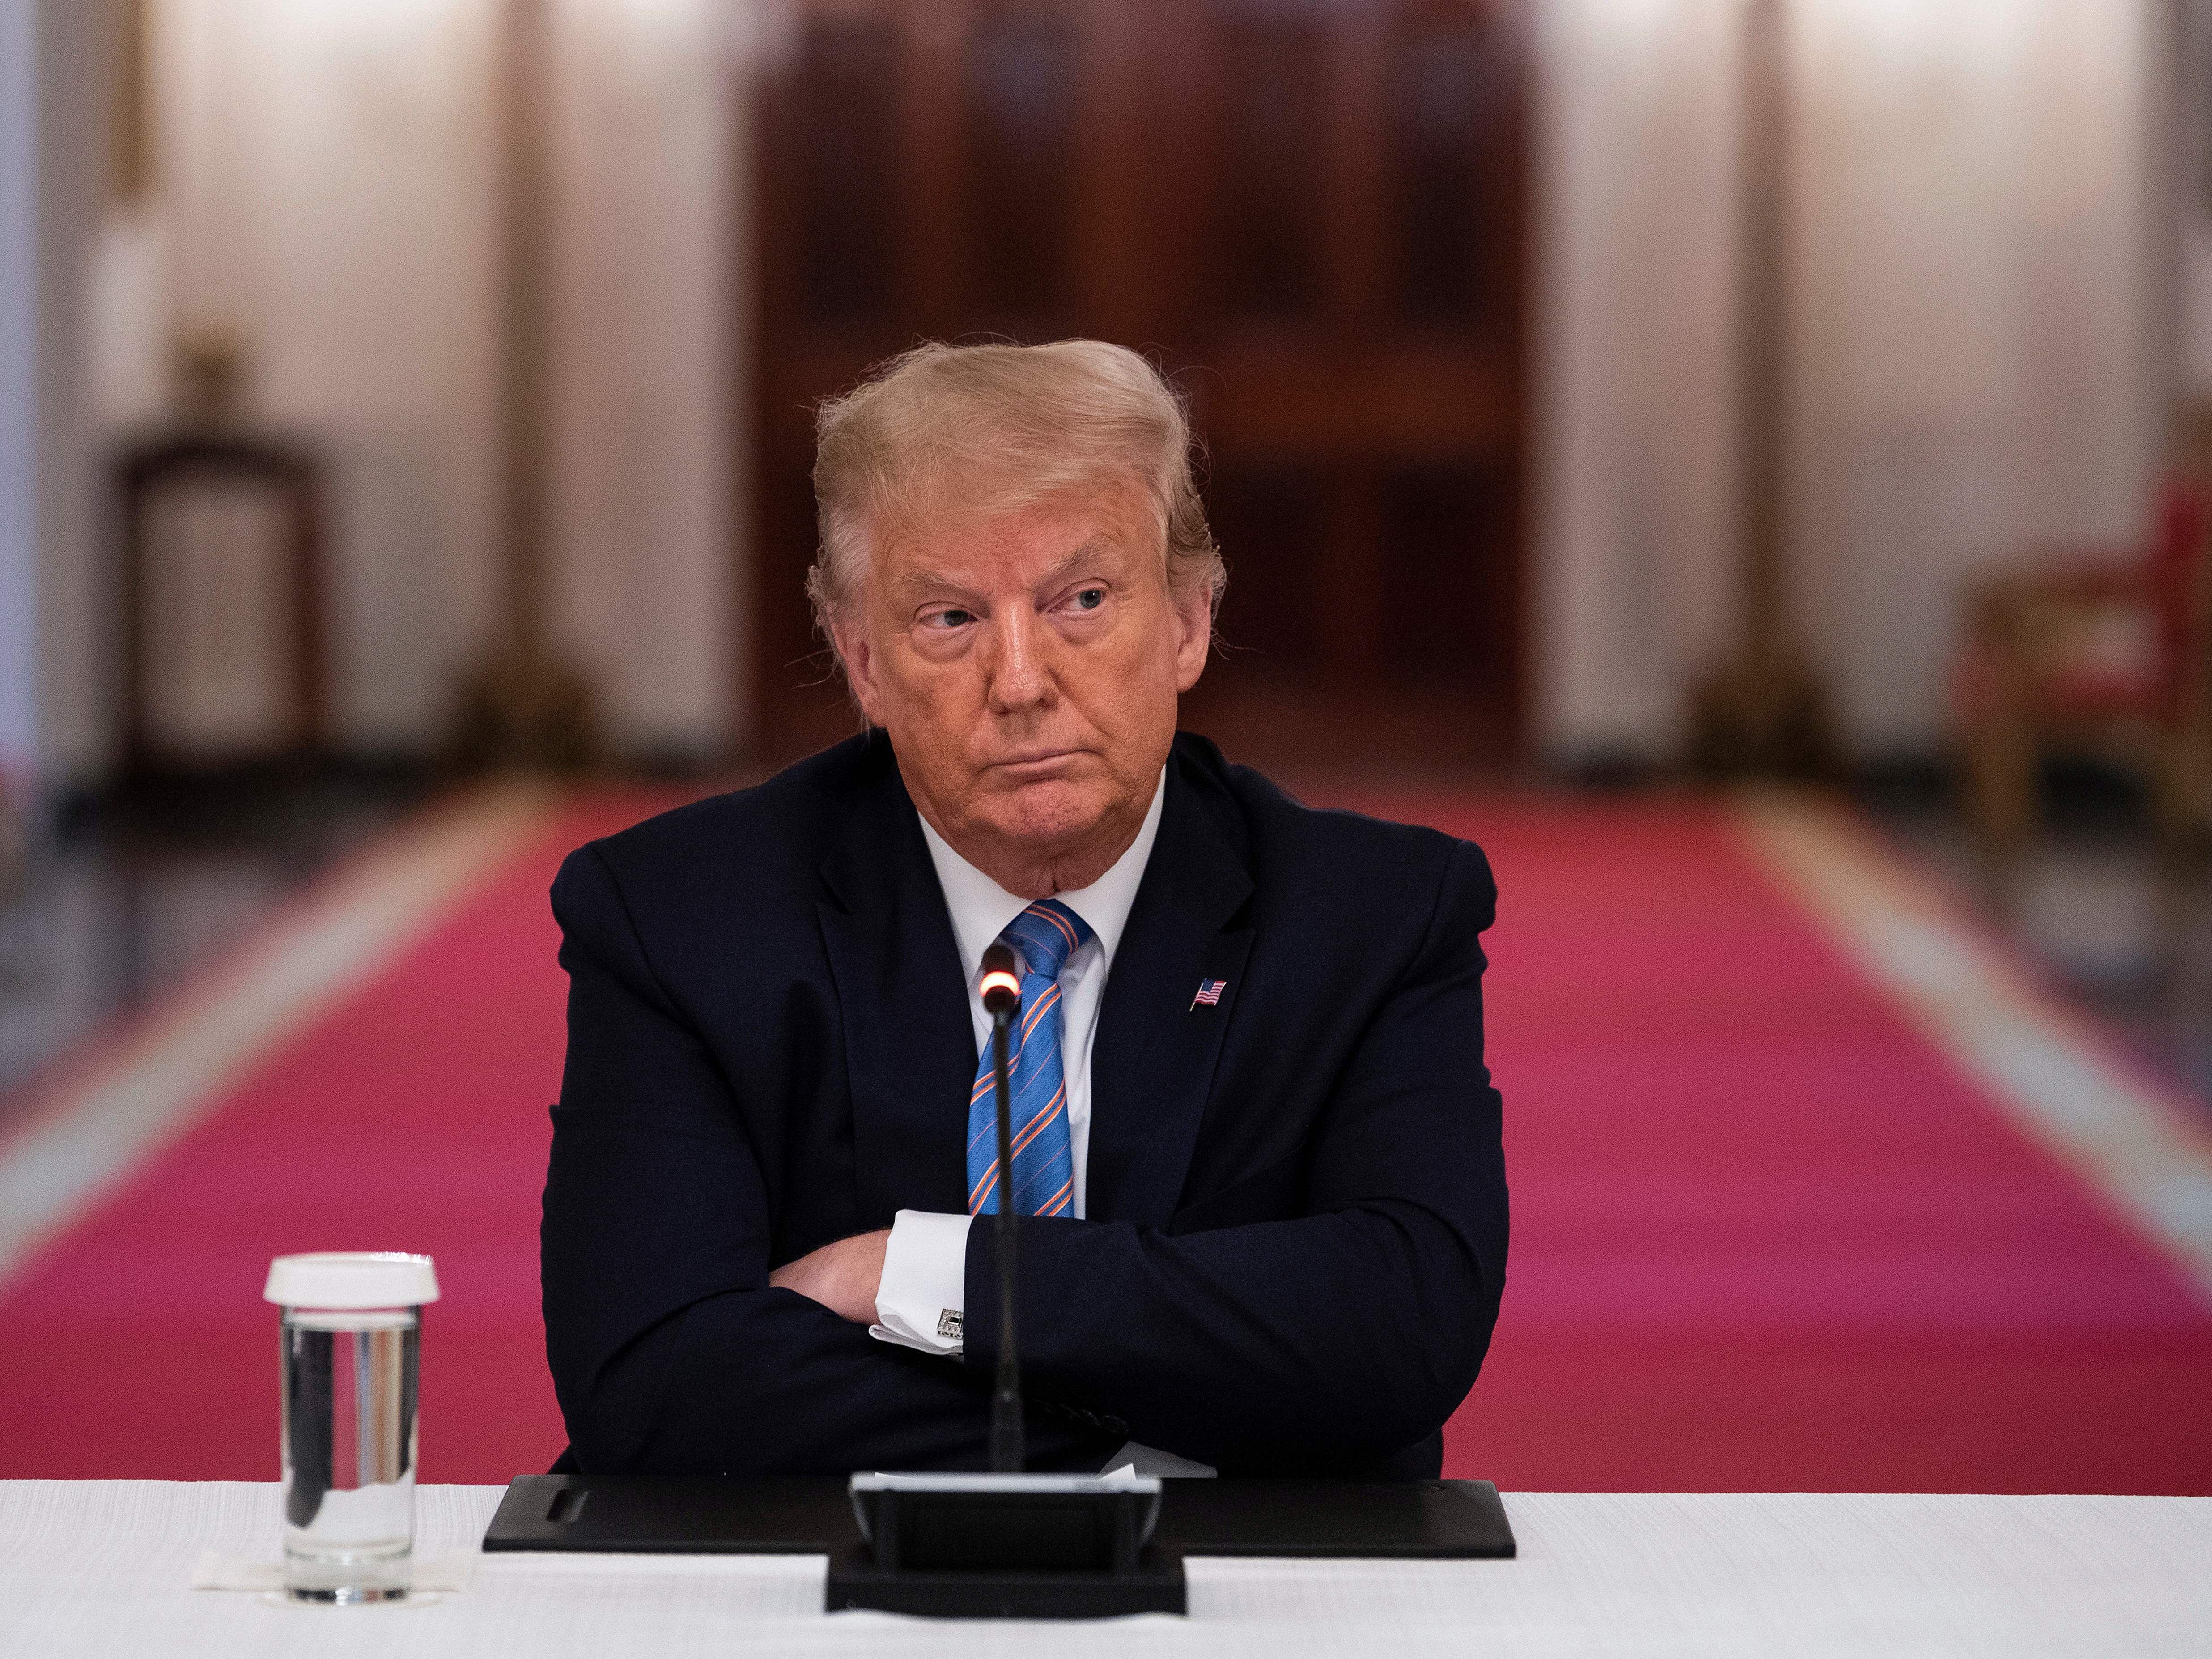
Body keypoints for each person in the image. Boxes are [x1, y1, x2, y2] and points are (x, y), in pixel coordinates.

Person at [542, 340, 1507, 1480]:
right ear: (861, 664)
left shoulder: (1372, 918)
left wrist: (927, 1279)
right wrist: (1161, 1421)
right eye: (948, 619)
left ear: (1190, 622)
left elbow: (1402, 1324)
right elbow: (651, 1379)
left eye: (1081, 602)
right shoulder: (683, 919)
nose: (1018, 680)